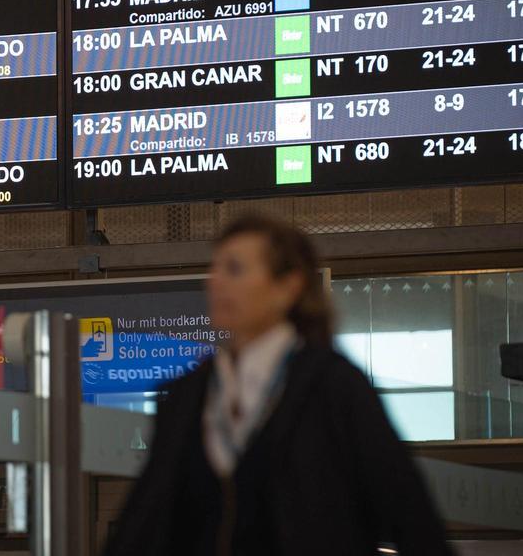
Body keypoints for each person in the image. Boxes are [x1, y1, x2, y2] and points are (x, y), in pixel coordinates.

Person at [103, 214, 451, 556]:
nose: (216, 281)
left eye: (235, 269)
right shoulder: (187, 395)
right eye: (215, 268)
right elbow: (143, 522)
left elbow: (409, 513)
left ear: (288, 287)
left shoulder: (333, 386)